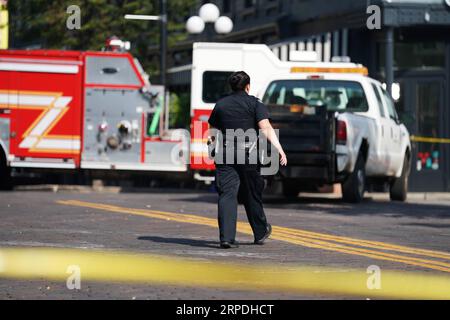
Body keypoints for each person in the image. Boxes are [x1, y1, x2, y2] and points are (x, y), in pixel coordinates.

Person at [208, 71, 287, 249]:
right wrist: (279, 149)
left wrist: (213, 144)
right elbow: (265, 127)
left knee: (227, 194)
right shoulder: (254, 103)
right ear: (248, 86)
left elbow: (212, 128)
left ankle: (226, 238)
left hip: (225, 153)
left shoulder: (221, 104)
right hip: (248, 154)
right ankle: (260, 232)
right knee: (251, 192)